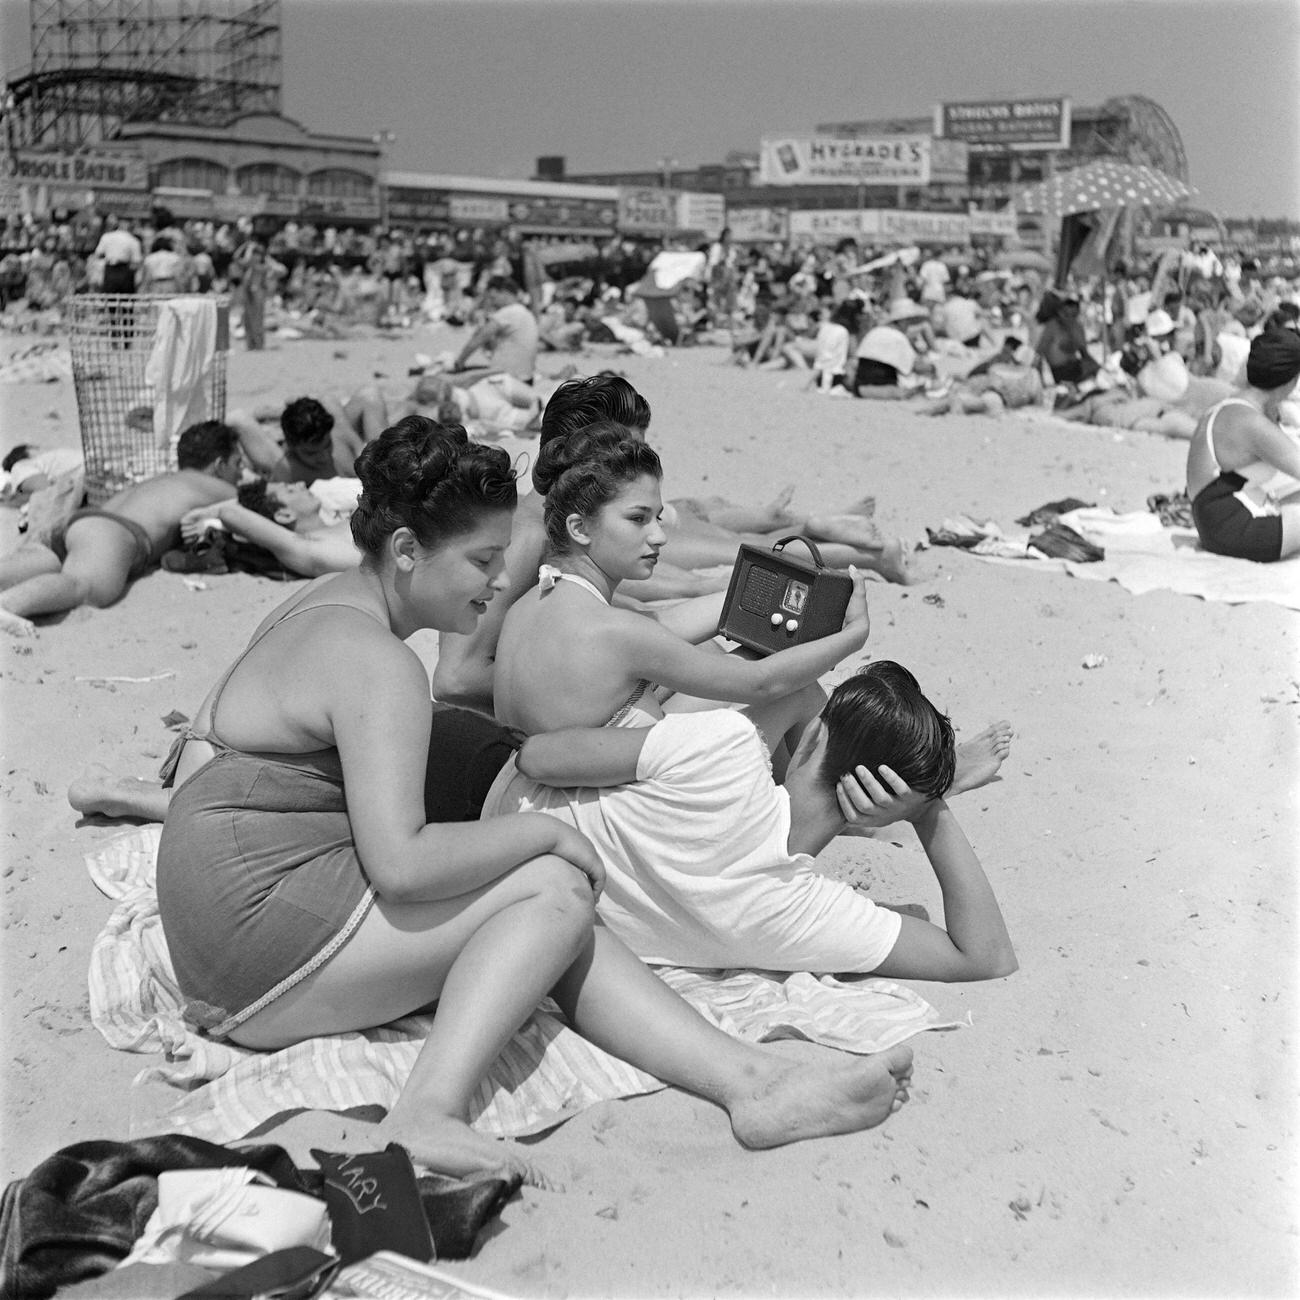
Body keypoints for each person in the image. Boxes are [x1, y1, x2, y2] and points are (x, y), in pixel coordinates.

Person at [152, 417, 913, 1184]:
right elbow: (403, 866)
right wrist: (549, 842)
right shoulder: (379, 667)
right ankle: (427, 1115)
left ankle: (751, 1083)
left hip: (216, 921)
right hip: (256, 953)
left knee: (547, 916)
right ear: (409, 551)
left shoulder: (321, 605)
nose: (495, 581)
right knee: (554, 891)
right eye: (482, 560)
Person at [488, 660, 1016, 981]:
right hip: (507, 889)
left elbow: (537, 757)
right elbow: (985, 957)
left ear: (810, 738)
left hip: (484, 789)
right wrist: (929, 814)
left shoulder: (727, 746)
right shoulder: (802, 913)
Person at [431, 375, 908, 716]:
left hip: (584, 702)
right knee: (755, 672)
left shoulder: (569, 553)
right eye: (621, 453)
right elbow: (454, 678)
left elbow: (624, 624)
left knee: (733, 645)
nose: (634, 465)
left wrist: (736, 598)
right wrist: (596, 678)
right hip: (562, 725)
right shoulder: (525, 536)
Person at [491, 429, 872, 778]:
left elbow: (660, 627)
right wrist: (854, 635)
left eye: (657, 518)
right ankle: (821, 810)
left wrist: (759, 595)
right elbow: (762, 685)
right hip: (615, 814)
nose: (658, 535)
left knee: (746, 658)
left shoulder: (530, 606)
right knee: (795, 688)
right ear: (579, 528)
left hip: (533, 795)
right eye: (638, 519)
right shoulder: (613, 631)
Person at [0, 421, 244, 635]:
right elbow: (255, 505)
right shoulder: (211, 485)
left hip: (80, 522)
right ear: (219, 464)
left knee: (37, 564)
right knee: (83, 586)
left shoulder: (162, 480)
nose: (241, 473)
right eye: (237, 463)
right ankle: (8, 605)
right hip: (113, 533)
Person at [1185, 328, 1300, 562]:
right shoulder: (1251, 423)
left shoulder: (1232, 406)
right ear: (1290, 379)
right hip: (1237, 530)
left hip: (1215, 526)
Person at [450, 277, 540, 386]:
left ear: (505, 293)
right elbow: (491, 346)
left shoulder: (508, 312)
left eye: (493, 298)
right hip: (525, 377)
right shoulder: (525, 312)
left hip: (507, 378)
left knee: (451, 378)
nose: (492, 303)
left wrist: (459, 362)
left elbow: (477, 340)